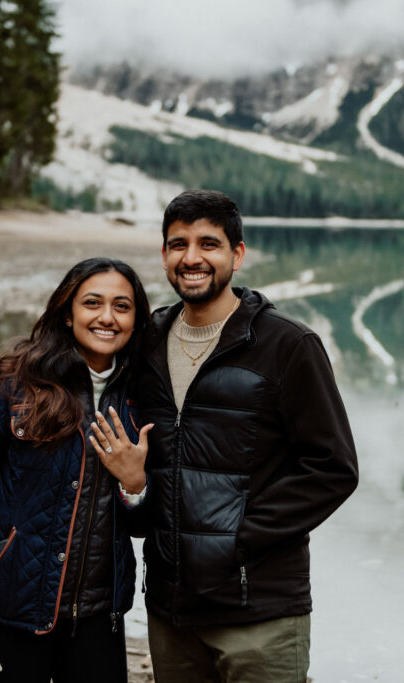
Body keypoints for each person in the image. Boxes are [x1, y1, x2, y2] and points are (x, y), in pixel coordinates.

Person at [135, 189, 359, 681]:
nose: (191, 258)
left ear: (237, 254)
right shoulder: (146, 343)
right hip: (171, 610)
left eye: (208, 244)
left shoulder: (288, 344)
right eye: (178, 244)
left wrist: (236, 539)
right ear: (164, 255)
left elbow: (332, 469)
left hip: (259, 611)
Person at [0, 257, 154, 683]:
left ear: (136, 319)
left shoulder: (141, 397)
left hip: (98, 617)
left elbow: (141, 526)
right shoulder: (9, 386)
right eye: (92, 303)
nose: (107, 317)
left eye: (122, 307)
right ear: (68, 313)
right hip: (8, 608)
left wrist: (135, 482)